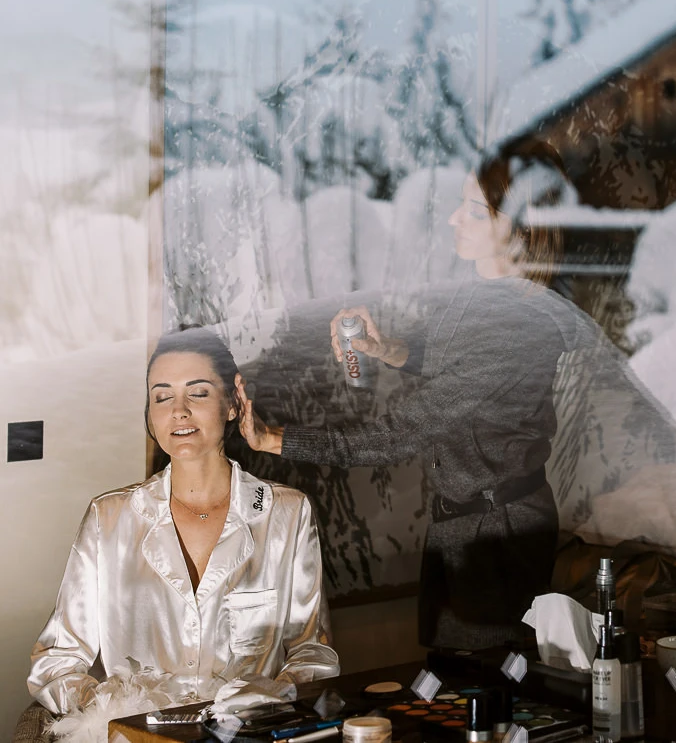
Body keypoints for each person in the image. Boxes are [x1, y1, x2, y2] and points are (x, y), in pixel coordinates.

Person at [237, 145, 585, 649]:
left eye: (471, 210)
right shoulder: (479, 293)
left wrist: (273, 440)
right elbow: (456, 360)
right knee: (450, 674)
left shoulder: (520, 325)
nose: (452, 219)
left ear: (518, 229)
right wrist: (385, 349)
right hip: (460, 520)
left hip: (498, 535)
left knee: (481, 691)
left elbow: (393, 438)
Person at [27, 328, 339, 717]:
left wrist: (271, 696)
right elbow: (55, 663)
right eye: (162, 396)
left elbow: (313, 652)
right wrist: (120, 714)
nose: (179, 410)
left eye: (198, 392)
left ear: (233, 402)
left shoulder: (287, 513)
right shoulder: (108, 519)